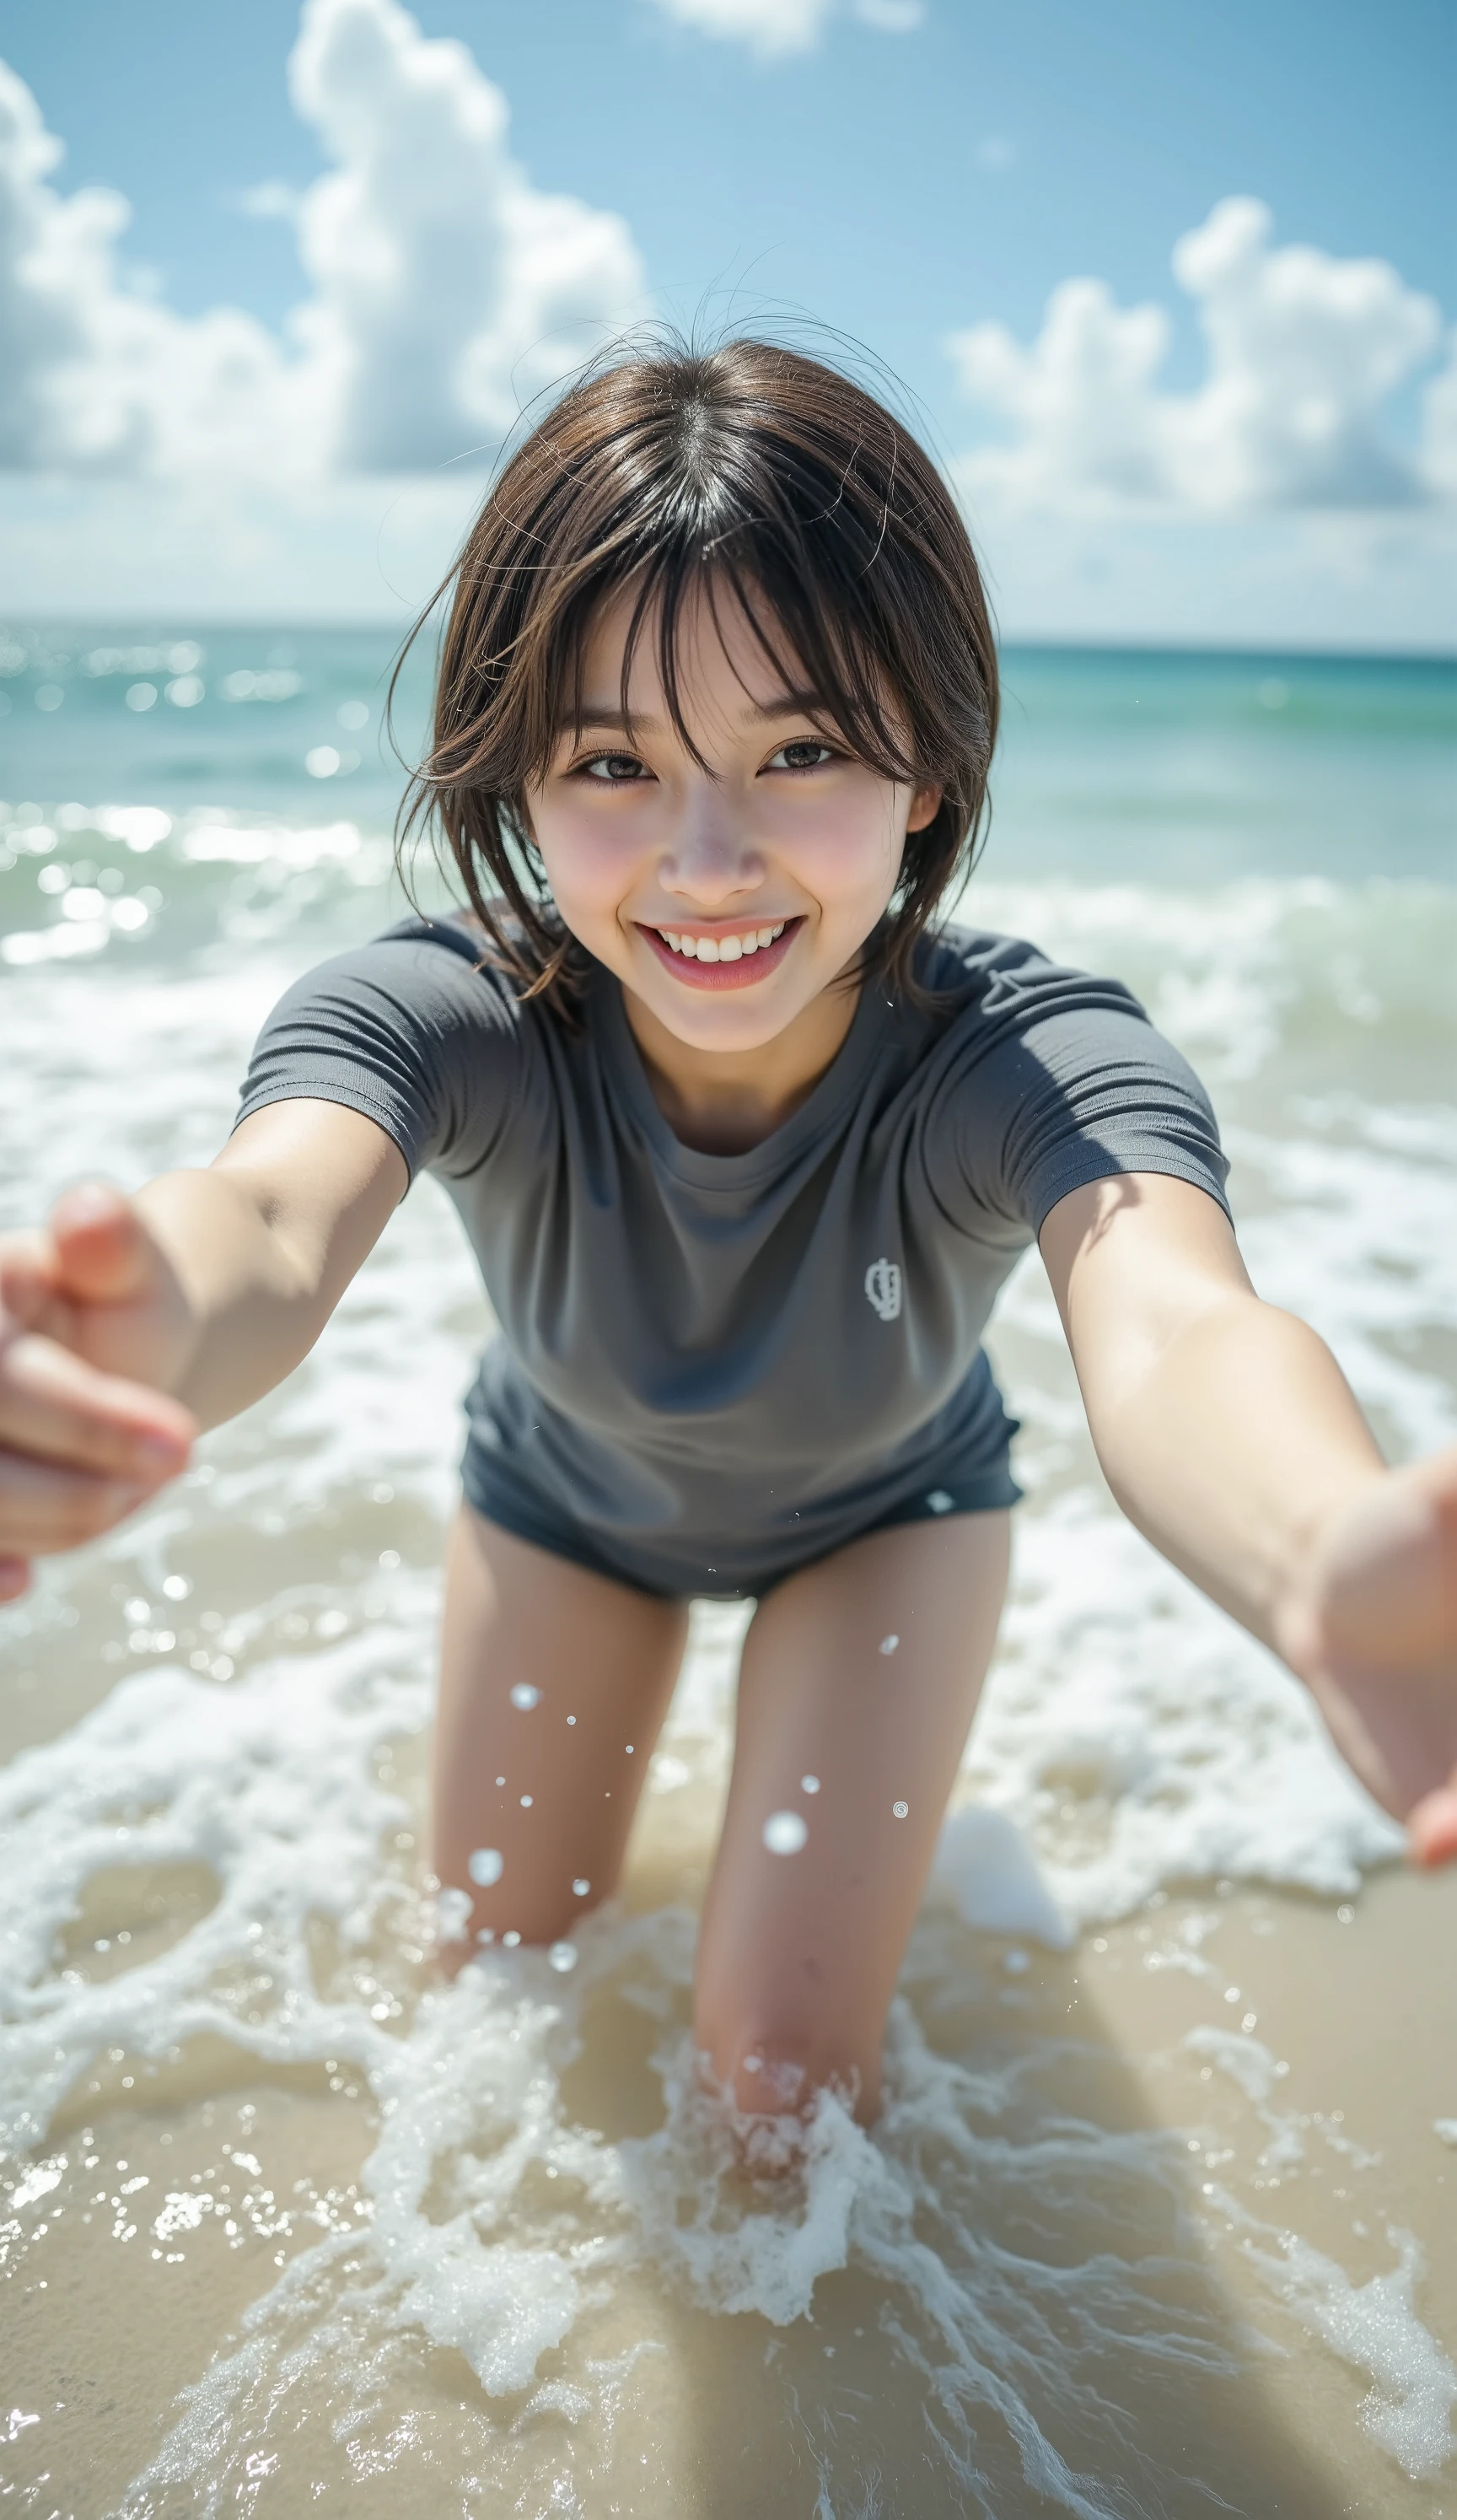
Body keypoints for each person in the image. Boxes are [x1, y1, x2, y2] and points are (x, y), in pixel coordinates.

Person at [2, 342, 1453, 2145]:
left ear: (927, 766)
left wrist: (1317, 1544)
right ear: (514, 779)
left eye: (803, 750)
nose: (706, 860)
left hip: (887, 1530)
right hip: (562, 1510)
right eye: (613, 759)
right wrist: (114, 1339)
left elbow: (1169, 1326)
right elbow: (270, 1222)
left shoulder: (1028, 1059)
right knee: (485, 1992)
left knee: (775, 2100)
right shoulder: (447, 1013)